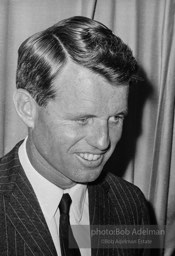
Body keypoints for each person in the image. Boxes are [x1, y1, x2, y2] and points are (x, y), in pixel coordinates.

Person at [0, 16, 150, 256]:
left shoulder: (131, 205)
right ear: (28, 109)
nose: (103, 142)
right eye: (82, 119)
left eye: (116, 118)